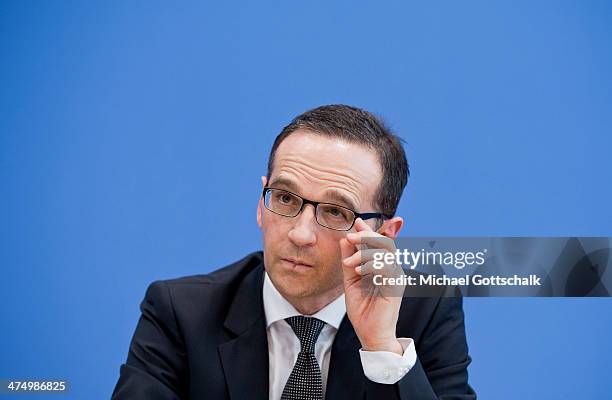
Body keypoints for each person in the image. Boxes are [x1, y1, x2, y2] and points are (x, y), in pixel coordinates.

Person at [112, 104, 476, 399]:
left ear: (383, 234)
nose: (301, 235)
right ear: (260, 203)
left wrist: (382, 347)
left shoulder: (425, 308)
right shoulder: (181, 312)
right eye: (285, 199)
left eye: (336, 211)